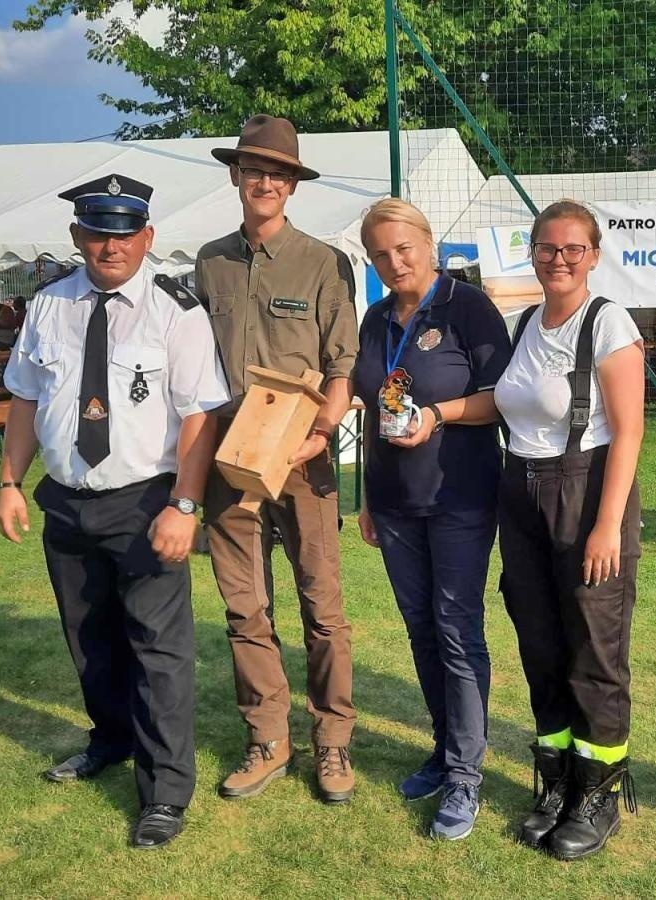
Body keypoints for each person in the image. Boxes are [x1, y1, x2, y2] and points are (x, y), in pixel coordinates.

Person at [0, 172, 230, 849]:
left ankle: (163, 794)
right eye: (97, 234)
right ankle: (110, 740)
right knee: (89, 638)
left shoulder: (174, 308)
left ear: (147, 238)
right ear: (77, 237)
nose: (110, 247)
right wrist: (11, 481)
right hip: (66, 502)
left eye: (124, 234)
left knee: (159, 652)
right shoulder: (48, 307)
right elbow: (24, 401)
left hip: (146, 501)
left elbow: (199, 418)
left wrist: (185, 504)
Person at [195, 114, 360, 804]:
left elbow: (342, 366)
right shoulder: (209, 262)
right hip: (229, 460)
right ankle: (268, 738)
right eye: (254, 169)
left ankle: (332, 744)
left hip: (304, 457)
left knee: (321, 608)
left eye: (279, 172)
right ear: (236, 175)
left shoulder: (323, 262)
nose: (265, 181)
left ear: (292, 185)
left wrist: (319, 434)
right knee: (245, 610)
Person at [351, 199, 511, 840]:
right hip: (392, 502)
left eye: (405, 248)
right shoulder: (375, 317)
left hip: (459, 498)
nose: (395, 262)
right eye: (381, 254)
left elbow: (502, 397)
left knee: (456, 630)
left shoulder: (468, 308)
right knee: (420, 629)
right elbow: (370, 408)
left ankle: (467, 776)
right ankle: (446, 752)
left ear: (430, 242)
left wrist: (439, 416)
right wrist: (365, 495)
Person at [494, 200, 645, 861]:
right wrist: (436, 413)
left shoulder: (607, 322)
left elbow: (630, 429)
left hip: (584, 490)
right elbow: (505, 402)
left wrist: (607, 524)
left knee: (594, 651)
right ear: (532, 253)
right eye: (547, 248)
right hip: (520, 490)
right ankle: (555, 782)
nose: (558, 259)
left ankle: (597, 794)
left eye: (572, 249)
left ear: (593, 254)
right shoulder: (524, 322)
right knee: (540, 643)